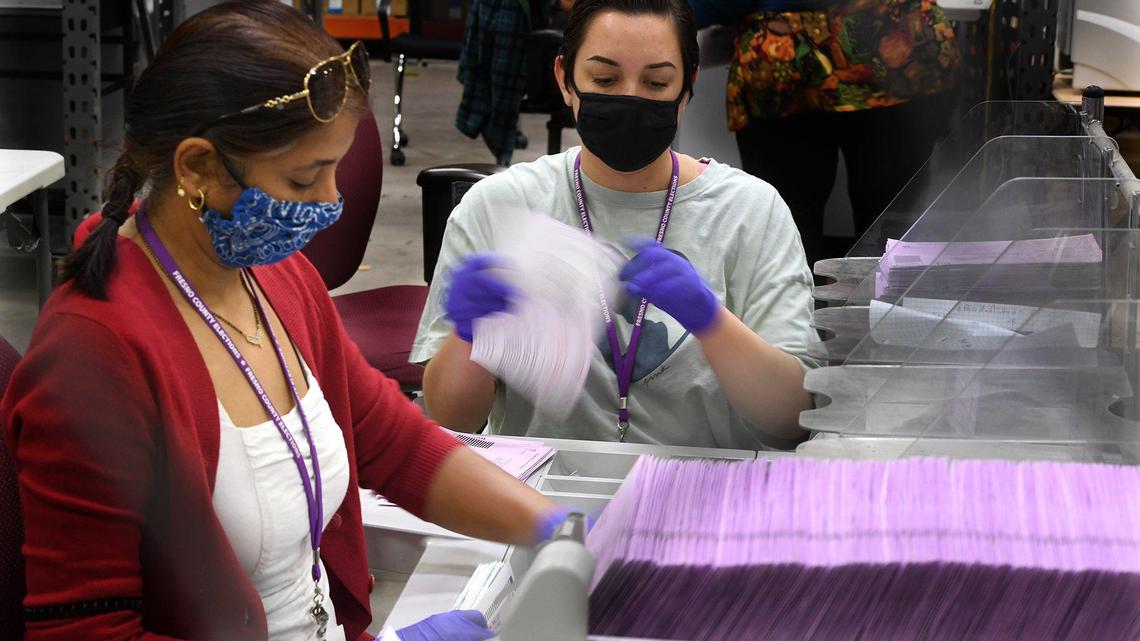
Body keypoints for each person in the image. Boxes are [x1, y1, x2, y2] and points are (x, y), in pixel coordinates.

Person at [1, 3, 563, 640]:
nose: (331, 200)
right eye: (303, 179)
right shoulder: (92, 357)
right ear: (197, 168)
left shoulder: (273, 276)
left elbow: (391, 441)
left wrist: (555, 527)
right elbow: (88, 634)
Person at [413, 0, 818, 450]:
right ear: (565, 79)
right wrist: (468, 334)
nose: (630, 97)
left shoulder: (750, 211)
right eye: (604, 80)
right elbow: (451, 421)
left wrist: (712, 322)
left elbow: (791, 420)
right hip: (539, 484)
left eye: (656, 82)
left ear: (687, 87)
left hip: (702, 482)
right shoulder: (499, 206)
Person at [700, 0, 961, 267]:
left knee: (788, 230)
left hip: (789, 62)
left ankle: (799, 292)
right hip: (897, 49)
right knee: (890, 231)